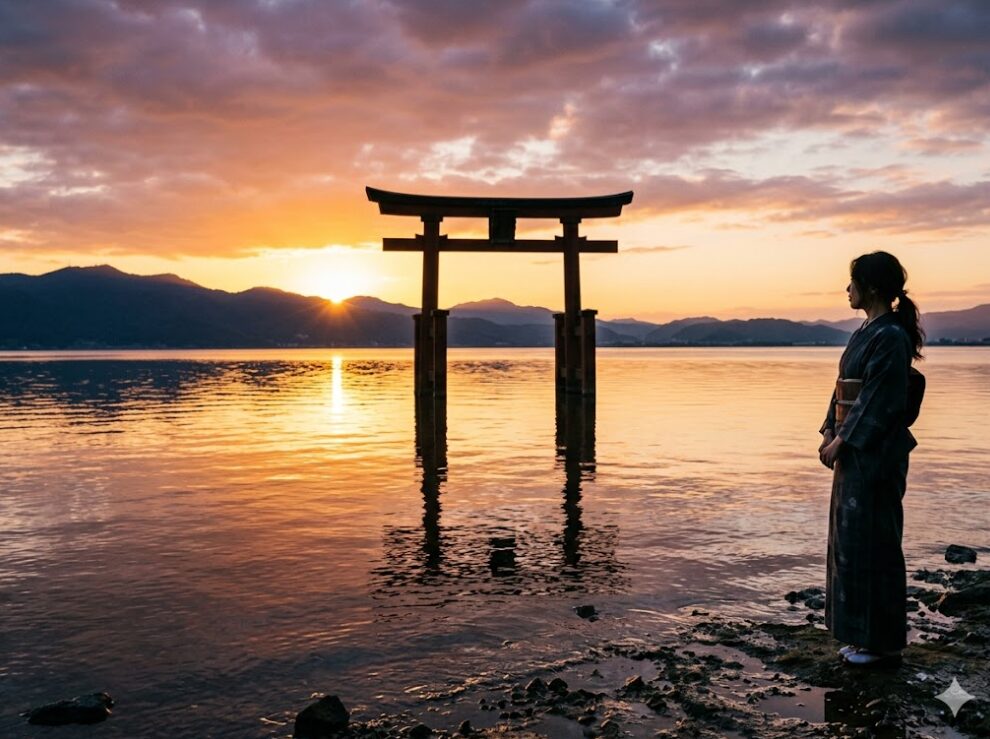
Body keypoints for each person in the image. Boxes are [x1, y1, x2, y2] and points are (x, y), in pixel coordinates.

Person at [818, 251, 924, 667]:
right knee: (850, 540)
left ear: (872, 287)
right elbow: (842, 389)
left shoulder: (891, 336)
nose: (848, 289)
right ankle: (860, 637)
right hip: (853, 452)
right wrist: (829, 430)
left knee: (876, 543)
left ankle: (883, 644)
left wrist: (843, 440)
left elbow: (878, 398)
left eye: (854, 281)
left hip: (876, 454)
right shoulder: (865, 332)